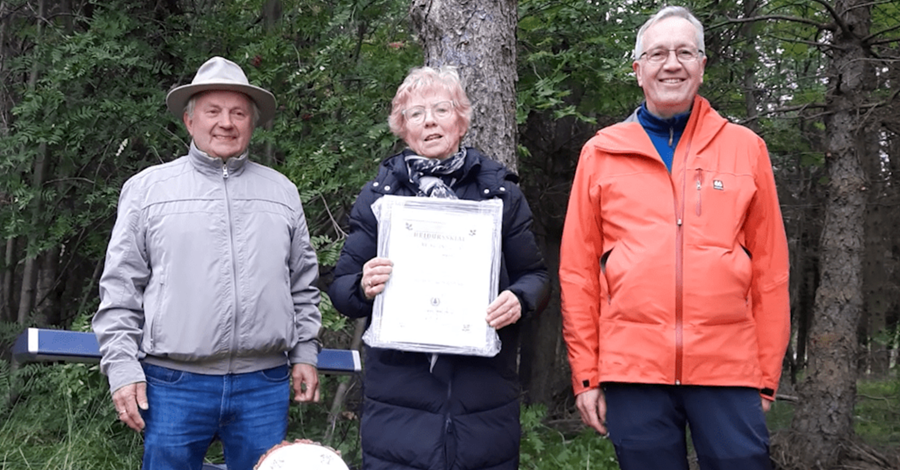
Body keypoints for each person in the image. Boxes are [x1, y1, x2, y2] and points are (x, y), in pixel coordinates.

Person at [559, 6, 790, 470]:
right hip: (633, 370)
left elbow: (771, 269)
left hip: (727, 369)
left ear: (702, 66)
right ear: (638, 68)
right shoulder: (601, 152)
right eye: (658, 53)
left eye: (685, 52)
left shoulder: (745, 148)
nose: (672, 63)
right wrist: (586, 375)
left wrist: (765, 374)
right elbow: (578, 272)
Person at [92, 56, 322, 470]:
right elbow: (120, 290)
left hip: (263, 384)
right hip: (172, 383)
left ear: (252, 123)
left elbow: (302, 284)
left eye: (238, 113)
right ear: (189, 120)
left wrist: (305, 351)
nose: (226, 123)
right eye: (213, 111)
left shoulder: (282, 192)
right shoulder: (148, 190)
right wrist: (123, 368)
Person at [328, 65, 549, 470]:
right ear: (403, 128)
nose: (429, 121)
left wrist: (520, 299)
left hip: (482, 404)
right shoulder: (380, 197)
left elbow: (536, 278)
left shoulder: (500, 194)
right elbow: (342, 290)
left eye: (441, 109)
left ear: (461, 120)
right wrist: (363, 285)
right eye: (416, 114)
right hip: (399, 405)